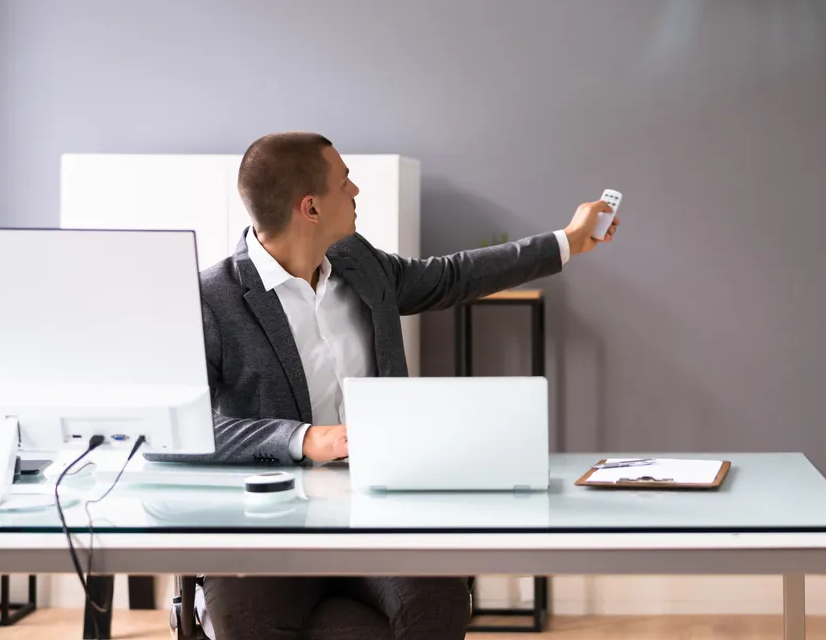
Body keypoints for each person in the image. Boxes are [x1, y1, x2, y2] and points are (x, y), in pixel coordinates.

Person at [154, 131, 619, 640]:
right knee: (248, 622)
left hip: (377, 508)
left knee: (439, 601)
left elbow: (451, 276)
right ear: (310, 207)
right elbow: (173, 435)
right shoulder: (212, 298)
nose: (355, 192)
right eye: (344, 182)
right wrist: (306, 438)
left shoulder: (359, 262)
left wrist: (568, 240)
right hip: (270, 520)